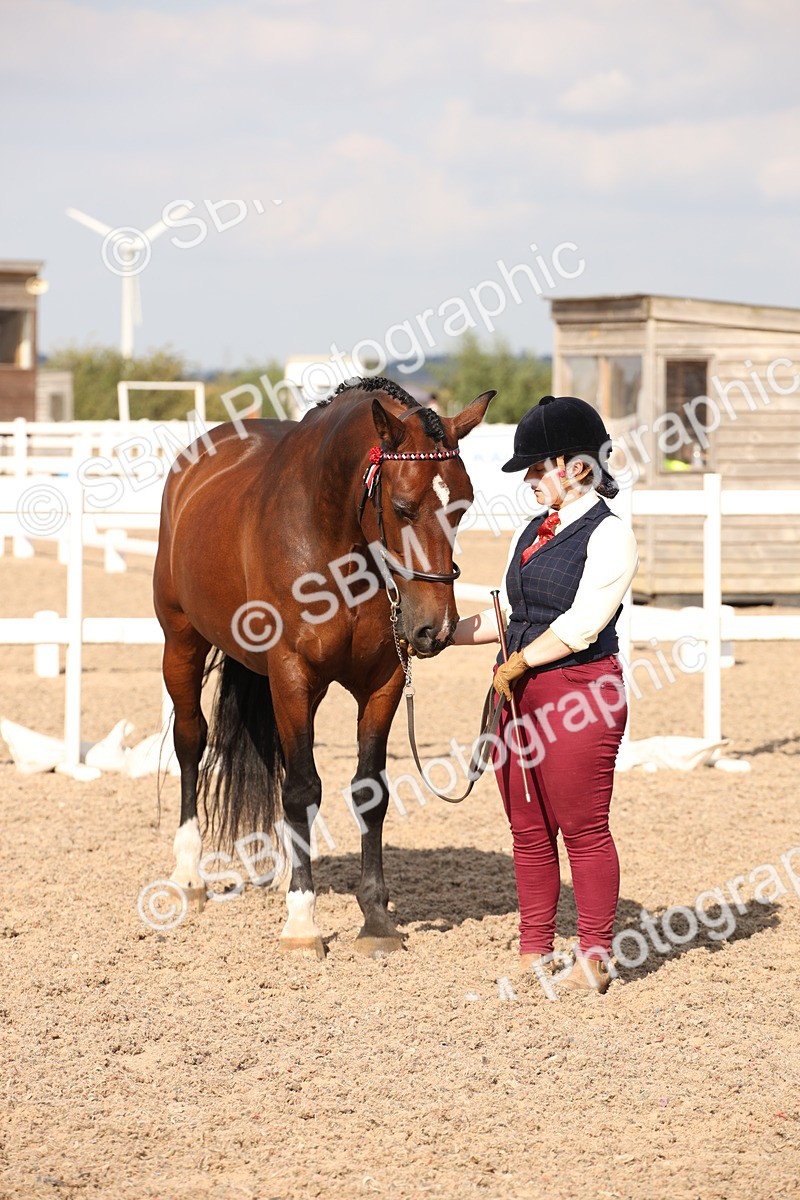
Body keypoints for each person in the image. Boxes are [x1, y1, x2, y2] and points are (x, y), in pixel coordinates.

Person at [451, 396, 638, 993]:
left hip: (579, 691)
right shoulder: (529, 531)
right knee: (528, 828)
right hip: (517, 693)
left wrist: (520, 663)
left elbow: (583, 623)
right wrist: (444, 636)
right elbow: (509, 614)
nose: (529, 481)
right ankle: (534, 946)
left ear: (576, 467)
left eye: (537, 468)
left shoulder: (611, 535)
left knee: (583, 827)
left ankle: (595, 954)